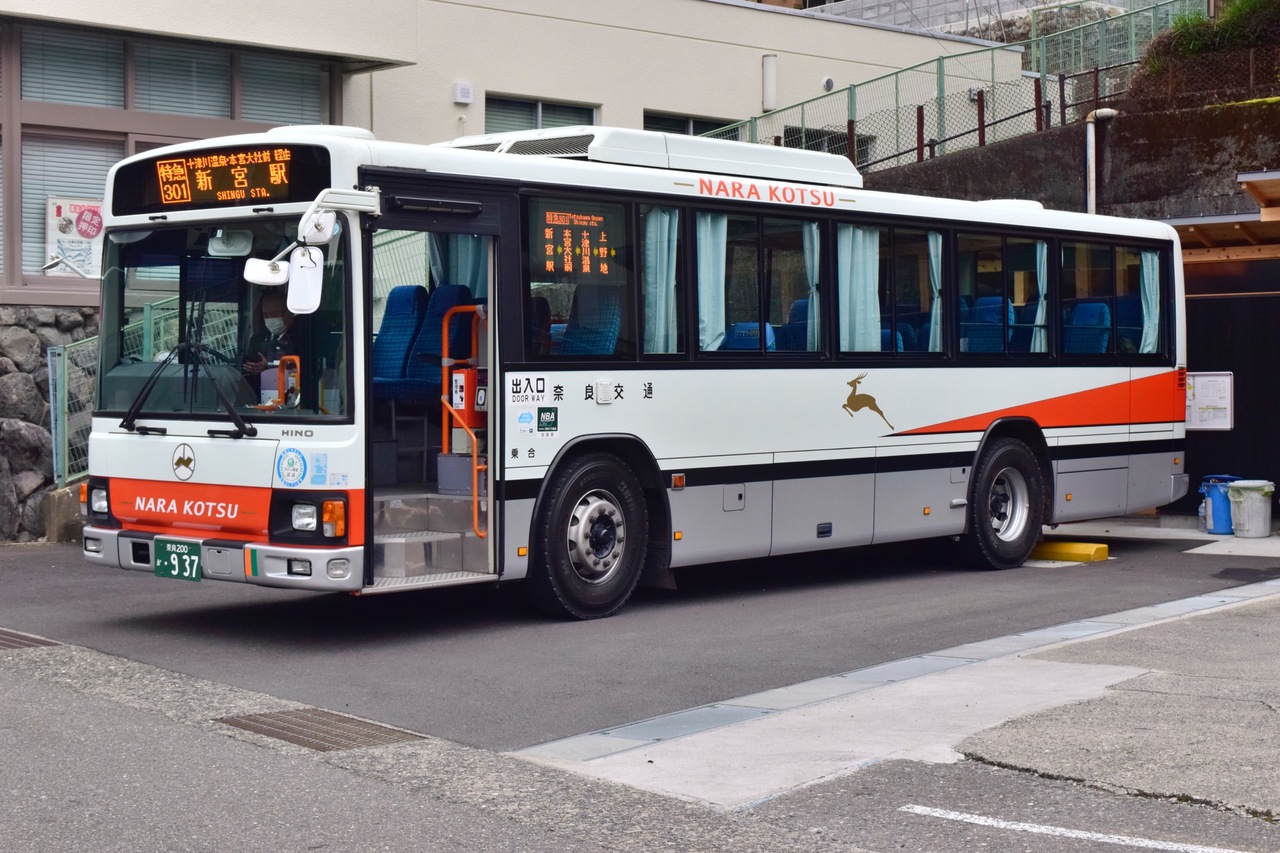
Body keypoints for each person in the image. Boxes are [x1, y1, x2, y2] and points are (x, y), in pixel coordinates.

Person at [243, 289, 301, 397]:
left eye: (275, 314)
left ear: (288, 312)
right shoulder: (257, 339)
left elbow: (301, 368)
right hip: (260, 396)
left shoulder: (301, 338)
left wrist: (269, 366)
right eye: (266, 315)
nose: (270, 319)